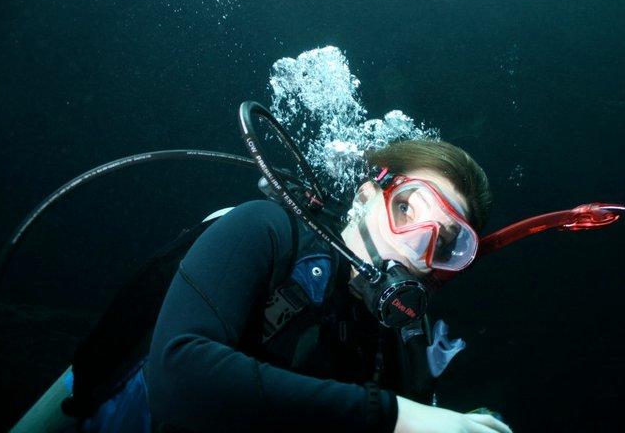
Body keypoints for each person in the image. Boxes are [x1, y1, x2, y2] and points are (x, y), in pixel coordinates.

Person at [144, 139, 513, 433]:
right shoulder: (268, 231)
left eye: (446, 244)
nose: (416, 245)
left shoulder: (399, 348)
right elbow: (176, 379)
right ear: (366, 196)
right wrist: (395, 416)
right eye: (406, 209)